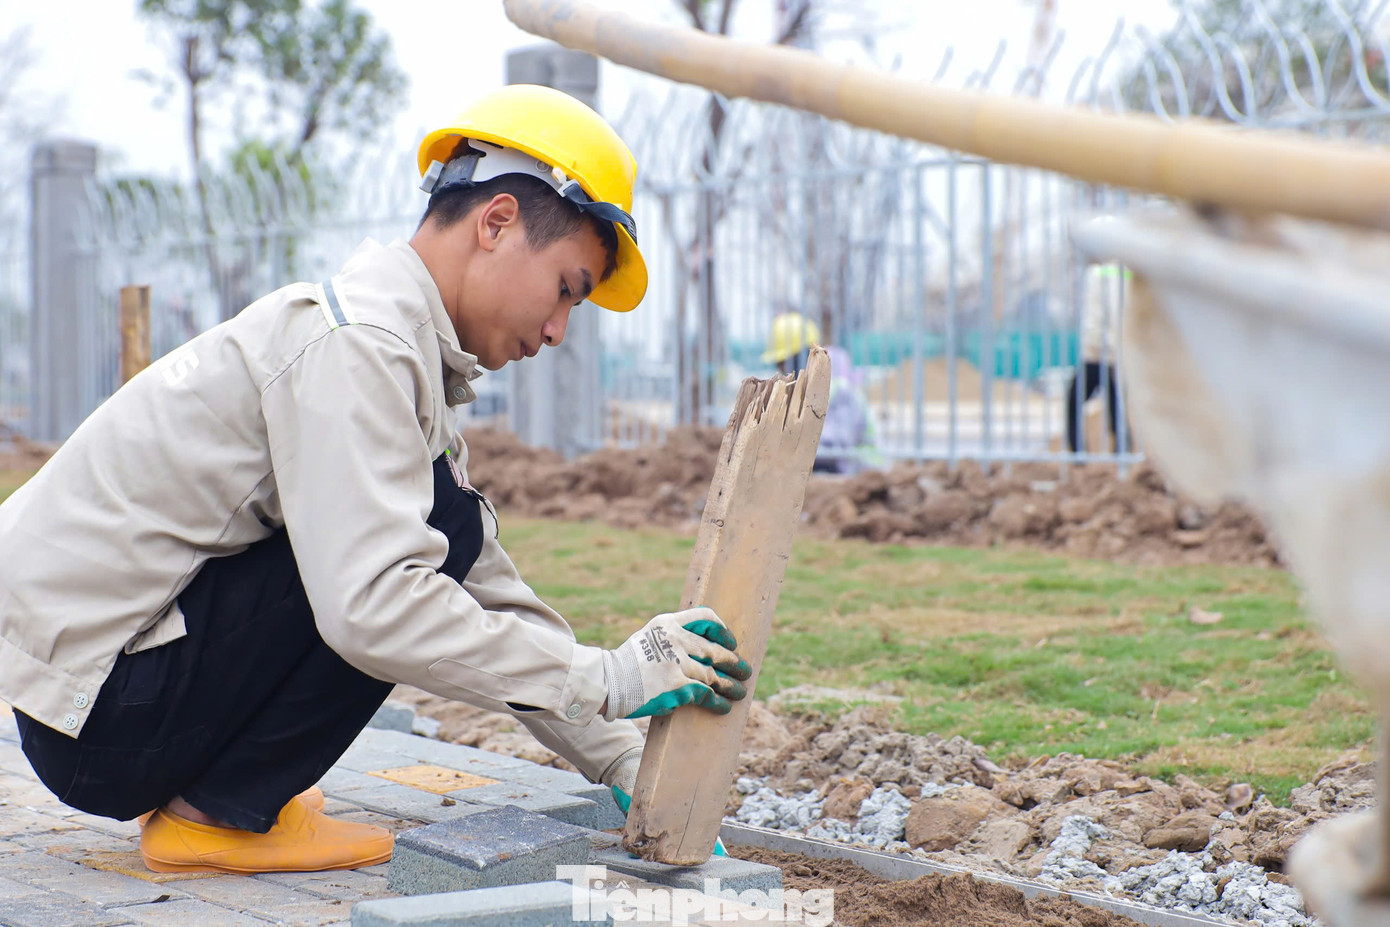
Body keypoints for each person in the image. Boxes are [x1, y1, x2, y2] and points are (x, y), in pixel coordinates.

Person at [0, 85, 751, 876]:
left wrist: (621, 756)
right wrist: (607, 677)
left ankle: (228, 785)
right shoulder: (360, 344)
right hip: (104, 718)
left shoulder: (391, 341)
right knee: (398, 569)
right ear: (496, 223)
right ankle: (213, 813)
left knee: (436, 530)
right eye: (566, 289)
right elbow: (377, 607)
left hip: (97, 695)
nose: (560, 330)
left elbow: (485, 580)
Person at [762, 311, 884, 475]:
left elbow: (835, 448)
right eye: (780, 364)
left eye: (785, 362)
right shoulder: (802, 392)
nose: (783, 371)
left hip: (861, 476)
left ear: (805, 355)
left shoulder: (840, 391)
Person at [1066, 262, 1131, 454]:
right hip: (1115, 353)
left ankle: (1079, 452)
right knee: (1116, 406)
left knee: (1074, 402)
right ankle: (1123, 450)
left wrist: (1097, 346)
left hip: (1098, 354)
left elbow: (1098, 316)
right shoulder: (1124, 274)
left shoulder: (1099, 274)